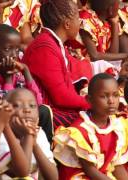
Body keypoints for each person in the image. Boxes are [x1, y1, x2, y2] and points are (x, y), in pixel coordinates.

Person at [23, 0, 92, 129]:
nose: (80, 23)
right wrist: (91, 103)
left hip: (54, 107)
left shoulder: (52, 42)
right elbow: (60, 97)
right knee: (91, 122)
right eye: (78, 18)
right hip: (45, 112)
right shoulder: (45, 47)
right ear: (67, 24)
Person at [53, 73, 128, 179]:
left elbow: (116, 165)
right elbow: (91, 171)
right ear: (89, 100)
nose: (111, 101)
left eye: (115, 95)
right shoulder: (80, 131)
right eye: (103, 96)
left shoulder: (117, 126)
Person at [5, 88, 58, 180]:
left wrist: (35, 144)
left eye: (32, 106)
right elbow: (21, 173)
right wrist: (27, 136)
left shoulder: (39, 133)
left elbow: (53, 177)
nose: (27, 110)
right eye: (17, 105)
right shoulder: (2, 136)